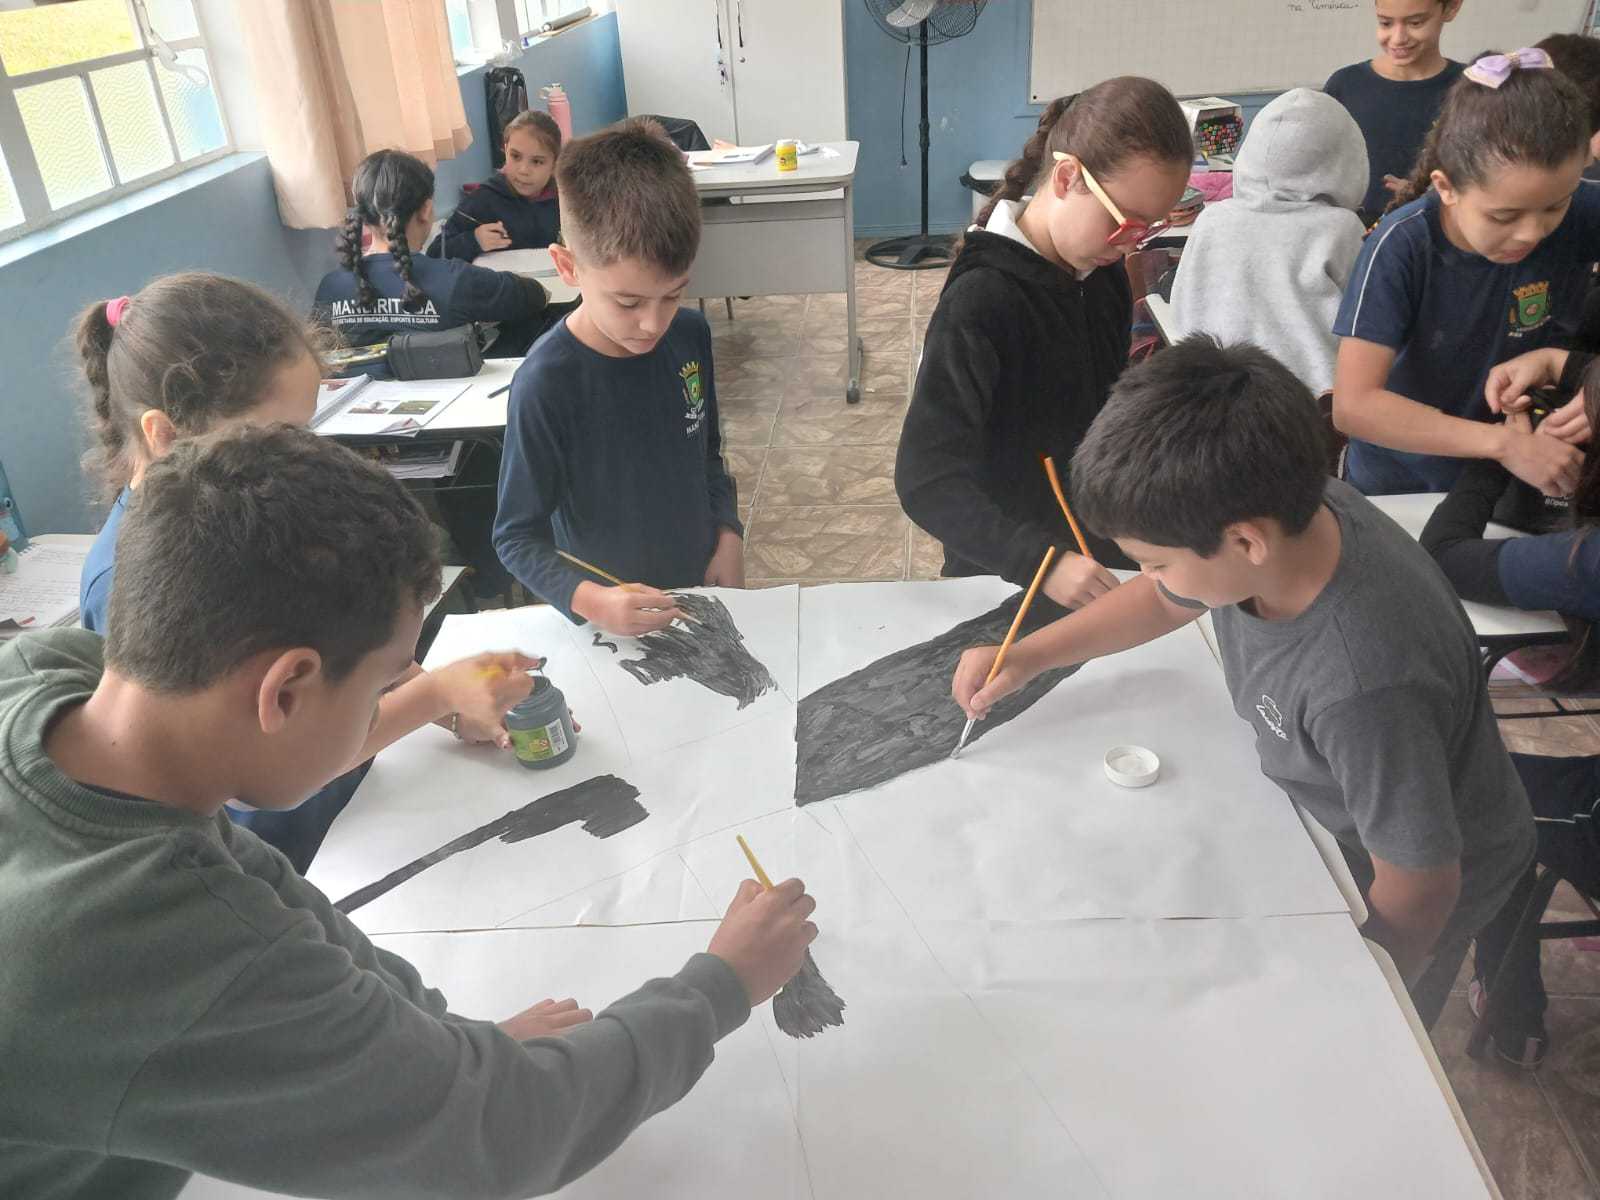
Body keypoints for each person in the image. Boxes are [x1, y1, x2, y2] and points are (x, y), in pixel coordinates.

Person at [0, 424, 820, 1198]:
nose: (390, 705)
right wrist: (722, 986)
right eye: (382, 686)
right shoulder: (155, 940)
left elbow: (259, 886)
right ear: (285, 690)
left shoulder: (49, 673)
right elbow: (503, 1137)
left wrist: (444, 1055)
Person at [953, 337, 1534, 1029]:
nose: (1153, 576)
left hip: (1410, 880)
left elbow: (1422, 887)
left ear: (1246, 541)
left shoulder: (1363, 684)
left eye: (1156, 560)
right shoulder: (1282, 510)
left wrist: (1364, 1000)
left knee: (1341, 1043)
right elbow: (1169, 596)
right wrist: (1030, 655)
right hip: (1337, 814)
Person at [74, 272, 533, 870]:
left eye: (307, 429)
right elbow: (247, 770)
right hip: (296, 849)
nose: (304, 455)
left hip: (358, 800)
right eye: (276, 435)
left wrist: (440, 701)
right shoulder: (133, 583)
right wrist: (437, 693)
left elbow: (350, 634)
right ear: (164, 436)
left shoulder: (252, 515)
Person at [895, 78, 1192, 608]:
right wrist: (1041, 563)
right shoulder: (981, 301)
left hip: (1096, 552)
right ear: (1067, 177)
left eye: (1146, 230)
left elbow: (1101, 414)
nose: (1131, 245)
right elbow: (926, 481)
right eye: (1123, 223)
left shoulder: (1101, 276)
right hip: (1005, 573)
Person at [493, 118, 743, 637]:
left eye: (673, 294)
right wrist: (592, 601)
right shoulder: (545, 383)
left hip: (697, 589)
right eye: (628, 302)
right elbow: (515, 537)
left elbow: (708, 454)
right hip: (608, 619)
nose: (653, 323)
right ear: (568, 267)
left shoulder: (690, 335)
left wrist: (728, 531)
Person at [1332, 50, 1600, 496]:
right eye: (1503, 216)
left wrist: (1582, 373)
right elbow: (1355, 406)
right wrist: (1503, 444)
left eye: (1556, 206)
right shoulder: (1402, 245)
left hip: (1521, 474)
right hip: (1406, 482)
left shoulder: (1583, 210)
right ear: (1446, 187)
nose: (1532, 232)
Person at [1168, 88, 1368, 397]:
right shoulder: (1342, 228)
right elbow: (1367, 325)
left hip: (1207, 396)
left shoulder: (1211, 219)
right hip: (1310, 405)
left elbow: (1182, 310)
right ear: (1345, 160)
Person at [314, 148, 550, 358]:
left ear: (363, 215)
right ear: (426, 210)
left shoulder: (330, 287)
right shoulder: (454, 280)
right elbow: (535, 296)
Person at [1324, 0, 1465, 224]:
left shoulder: (1471, 89)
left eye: (1415, 23)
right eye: (1386, 23)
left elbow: (1490, 183)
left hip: (1441, 234)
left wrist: (1430, 198)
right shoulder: (1345, 85)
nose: (1398, 38)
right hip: (1355, 237)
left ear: (1451, 7)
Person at [431, 109, 563, 262]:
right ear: (505, 150)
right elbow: (435, 253)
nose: (523, 170)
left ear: (555, 164)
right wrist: (474, 240)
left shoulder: (566, 200)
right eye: (515, 156)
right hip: (499, 276)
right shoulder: (482, 200)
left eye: (537, 161)